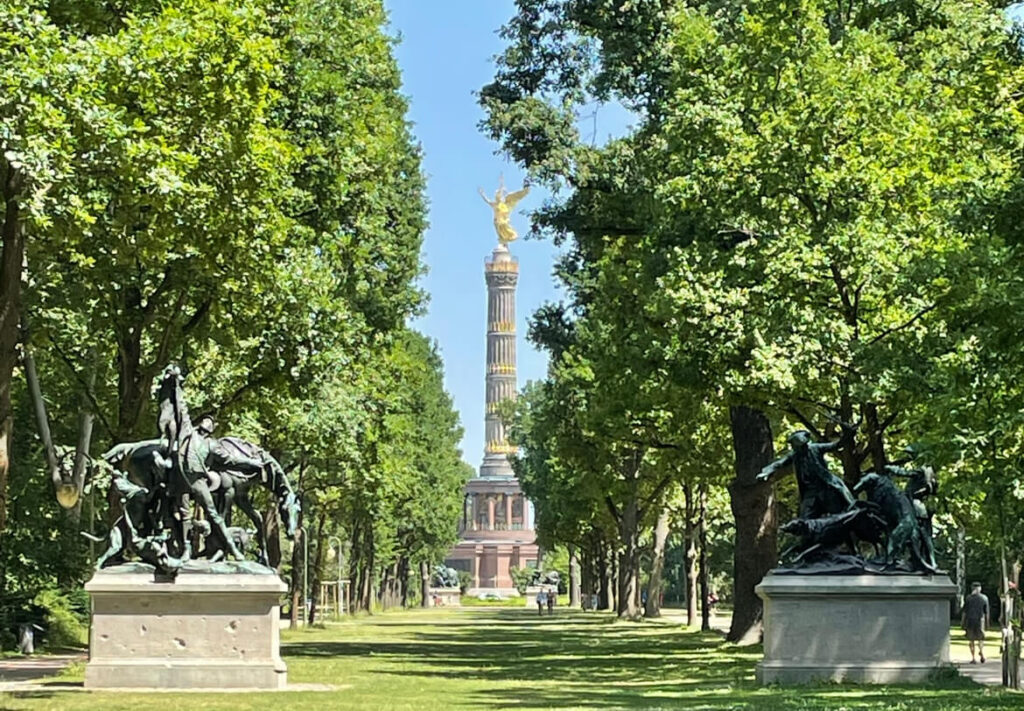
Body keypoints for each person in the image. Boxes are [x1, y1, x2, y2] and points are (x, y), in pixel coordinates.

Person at [962, 582, 990, 663]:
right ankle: (981, 651)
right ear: (980, 588)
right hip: (980, 620)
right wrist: (987, 623)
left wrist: (962, 622)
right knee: (981, 639)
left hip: (970, 620)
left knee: (971, 640)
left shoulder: (968, 598)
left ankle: (973, 658)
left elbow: (964, 612)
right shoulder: (984, 598)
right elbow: (986, 612)